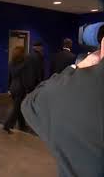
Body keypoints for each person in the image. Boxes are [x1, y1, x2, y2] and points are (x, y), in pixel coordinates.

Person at [21, 37, 104, 177]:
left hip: (61, 93)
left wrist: (72, 72)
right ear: (70, 45)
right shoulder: (71, 56)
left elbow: (30, 104)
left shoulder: (54, 56)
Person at [3, 46, 28, 134]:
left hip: (13, 88)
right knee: (16, 108)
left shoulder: (10, 63)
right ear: (22, 53)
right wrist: (27, 90)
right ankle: (7, 125)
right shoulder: (24, 64)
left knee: (18, 107)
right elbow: (24, 78)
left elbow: (9, 77)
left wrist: (8, 89)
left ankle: (22, 125)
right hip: (20, 89)